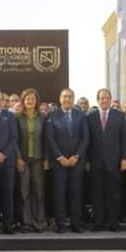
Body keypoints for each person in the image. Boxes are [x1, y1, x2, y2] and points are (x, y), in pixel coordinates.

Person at [45, 88, 89, 233]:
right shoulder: (52, 116)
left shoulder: (81, 115)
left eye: (70, 96)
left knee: (76, 193)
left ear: (73, 99)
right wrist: (60, 157)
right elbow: (50, 139)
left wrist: (76, 156)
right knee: (59, 194)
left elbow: (85, 138)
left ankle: (76, 223)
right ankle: (61, 224)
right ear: (60, 99)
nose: (67, 99)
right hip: (59, 162)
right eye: (64, 96)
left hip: (76, 161)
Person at [87, 88, 126, 232]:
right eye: (102, 98)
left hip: (115, 161)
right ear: (97, 100)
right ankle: (98, 222)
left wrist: (125, 158)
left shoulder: (119, 116)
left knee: (114, 193)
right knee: (97, 193)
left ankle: (113, 222)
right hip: (96, 162)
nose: (104, 100)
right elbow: (87, 140)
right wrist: (87, 160)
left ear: (110, 100)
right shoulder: (90, 116)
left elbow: (125, 139)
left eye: (107, 98)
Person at [16, 88, 47, 233]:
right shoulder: (17, 118)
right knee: (24, 191)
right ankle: (26, 222)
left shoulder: (42, 117)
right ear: (23, 101)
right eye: (27, 99)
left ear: (36, 101)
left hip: (38, 159)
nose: (30, 101)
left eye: (32, 99)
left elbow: (46, 139)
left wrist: (46, 158)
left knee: (39, 191)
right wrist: (18, 158)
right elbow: (14, 140)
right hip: (23, 159)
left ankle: (39, 222)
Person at [0, 89, 19, 234]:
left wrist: (3, 154)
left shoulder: (10, 116)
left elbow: (14, 138)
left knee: (7, 193)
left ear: (3, 102)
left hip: (7, 161)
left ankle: (8, 224)